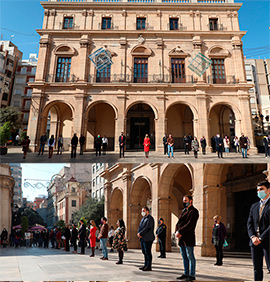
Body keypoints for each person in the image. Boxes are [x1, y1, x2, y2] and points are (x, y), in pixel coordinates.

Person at [247, 180, 270, 281]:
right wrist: (253, 237)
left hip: (268, 240)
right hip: (254, 241)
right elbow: (249, 223)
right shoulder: (254, 206)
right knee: (257, 268)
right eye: (258, 190)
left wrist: (261, 238)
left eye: (261, 189)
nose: (259, 192)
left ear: (268, 190)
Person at [175, 195, 199, 281]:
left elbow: (190, 224)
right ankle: (186, 273)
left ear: (191, 201)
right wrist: (176, 231)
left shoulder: (194, 211)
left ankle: (192, 275)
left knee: (190, 256)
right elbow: (179, 222)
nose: (184, 202)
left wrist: (180, 231)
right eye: (183, 201)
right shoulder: (184, 211)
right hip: (181, 238)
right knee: (184, 256)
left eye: (186, 200)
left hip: (188, 237)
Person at [137, 206, 155, 271]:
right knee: (144, 252)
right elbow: (140, 227)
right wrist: (139, 233)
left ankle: (149, 266)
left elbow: (147, 228)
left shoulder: (150, 218)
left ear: (147, 211)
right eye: (142, 211)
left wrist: (141, 233)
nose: (142, 212)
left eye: (143, 211)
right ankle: (145, 264)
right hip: (143, 238)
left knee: (148, 252)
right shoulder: (143, 218)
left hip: (148, 238)